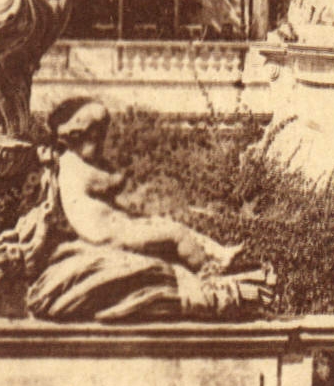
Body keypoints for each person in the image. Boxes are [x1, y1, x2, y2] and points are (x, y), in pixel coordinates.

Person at [50, 99, 243, 272]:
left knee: (167, 225)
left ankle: (219, 253)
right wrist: (123, 170)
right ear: (82, 136)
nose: (100, 144)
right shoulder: (77, 167)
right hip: (110, 233)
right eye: (96, 137)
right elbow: (114, 182)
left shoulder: (74, 162)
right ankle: (209, 273)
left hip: (116, 227)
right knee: (177, 234)